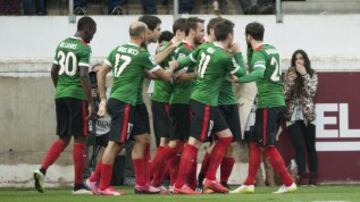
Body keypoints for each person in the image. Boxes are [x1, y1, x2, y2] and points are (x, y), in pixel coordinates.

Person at [87, 21, 177, 196]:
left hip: (132, 103)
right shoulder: (141, 54)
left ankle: (141, 184)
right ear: (144, 35)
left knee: (143, 139)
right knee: (116, 144)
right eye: (153, 30)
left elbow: (101, 72)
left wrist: (103, 98)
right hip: (124, 102)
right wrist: (173, 66)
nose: (153, 33)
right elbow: (165, 76)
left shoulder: (117, 49)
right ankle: (102, 185)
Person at [170, 19, 246, 194]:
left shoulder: (204, 48)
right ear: (229, 36)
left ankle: (210, 179)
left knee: (226, 137)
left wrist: (175, 65)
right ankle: (179, 185)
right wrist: (238, 53)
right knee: (194, 143)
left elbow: (187, 59)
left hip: (205, 101)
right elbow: (242, 73)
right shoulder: (224, 57)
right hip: (204, 102)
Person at [230, 22, 297, 194]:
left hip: (269, 103)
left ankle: (289, 183)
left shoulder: (258, 54)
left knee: (267, 145)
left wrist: (238, 79)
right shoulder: (271, 49)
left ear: (248, 37)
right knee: (254, 142)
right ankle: (248, 183)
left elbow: (258, 73)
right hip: (272, 101)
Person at [33, 16, 97, 194]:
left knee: (64, 138)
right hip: (77, 97)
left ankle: (42, 170)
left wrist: (60, 88)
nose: (93, 37)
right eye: (93, 33)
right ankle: (77, 185)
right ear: (87, 29)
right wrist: (91, 103)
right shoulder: (84, 48)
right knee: (80, 138)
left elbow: (53, 70)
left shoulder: (62, 44)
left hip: (60, 95)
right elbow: (84, 75)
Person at [150, 17, 205, 192]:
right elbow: (178, 77)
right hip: (181, 101)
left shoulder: (192, 49)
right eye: (201, 31)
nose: (203, 34)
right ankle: (151, 179)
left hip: (186, 101)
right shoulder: (183, 50)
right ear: (191, 32)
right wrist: (199, 74)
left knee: (179, 145)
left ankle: (175, 183)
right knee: (178, 145)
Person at [197, 16, 241, 192]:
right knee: (216, 143)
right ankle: (205, 179)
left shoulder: (224, 52)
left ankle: (222, 182)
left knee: (230, 145)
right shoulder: (207, 50)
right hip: (215, 103)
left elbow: (237, 76)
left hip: (230, 101)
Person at [284, 49, 318, 186]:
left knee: (311, 147)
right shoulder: (288, 75)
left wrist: (304, 75)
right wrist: (292, 80)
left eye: (301, 58)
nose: (299, 61)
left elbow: (311, 92)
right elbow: (285, 95)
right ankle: (302, 176)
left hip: (308, 116)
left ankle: (314, 178)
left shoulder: (312, 74)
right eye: (296, 59)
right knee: (298, 146)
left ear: (305, 60)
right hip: (292, 117)